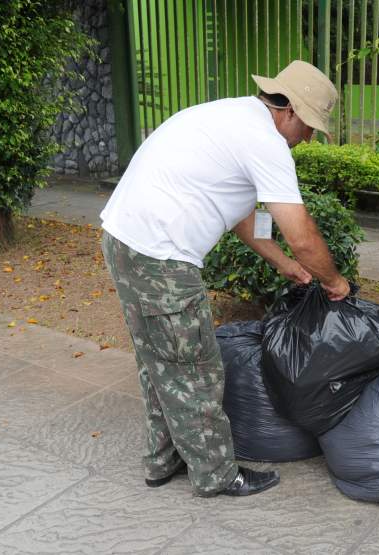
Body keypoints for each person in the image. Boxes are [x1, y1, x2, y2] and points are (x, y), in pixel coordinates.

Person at [99, 60, 351, 498]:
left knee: (160, 361)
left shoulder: (232, 116)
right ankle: (217, 475)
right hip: (161, 259)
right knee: (196, 368)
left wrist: (282, 264)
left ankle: (162, 462)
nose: (308, 138)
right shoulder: (266, 142)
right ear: (288, 110)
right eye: (309, 126)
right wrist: (334, 282)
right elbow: (303, 235)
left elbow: (243, 219)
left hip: (124, 241)